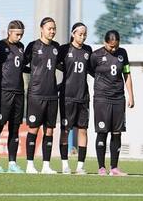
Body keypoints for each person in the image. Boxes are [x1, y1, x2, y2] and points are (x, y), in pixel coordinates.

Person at [89, 30, 135, 176]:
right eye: (111, 46)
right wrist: (102, 81)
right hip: (102, 98)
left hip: (118, 98)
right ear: (105, 42)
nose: (114, 49)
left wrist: (131, 95)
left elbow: (126, 73)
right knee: (102, 132)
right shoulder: (96, 55)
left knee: (117, 133)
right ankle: (101, 167)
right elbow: (90, 70)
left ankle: (114, 168)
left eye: (116, 46)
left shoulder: (123, 53)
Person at [23, 17, 60, 174]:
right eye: (49, 28)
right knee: (33, 129)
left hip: (52, 95)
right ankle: (30, 165)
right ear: (41, 29)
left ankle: (46, 165)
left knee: (49, 131)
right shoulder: (33, 46)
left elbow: (64, 66)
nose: (52, 31)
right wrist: (33, 74)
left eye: (54, 28)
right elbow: (22, 65)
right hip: (36, 95)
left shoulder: (57, 47)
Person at [0, 20, 26, 173]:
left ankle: (12, 164)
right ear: (9, 32)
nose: (19, 37)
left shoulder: (21, 47)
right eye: (17, 34)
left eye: (21, 34)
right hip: (3, 92)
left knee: (15, 128)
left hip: (19, 92)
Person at [57, 22, 92, 175]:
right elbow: (53, 64)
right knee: (65, 130)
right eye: (80, 34)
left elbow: (92, 69)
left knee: (83, 130)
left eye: (85, 34)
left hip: (83, 97)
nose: (83, 37)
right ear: (73, 34)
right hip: (67, 97)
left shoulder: (88, 50)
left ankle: (80, 166)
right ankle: (65, 164)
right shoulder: (64, 49)